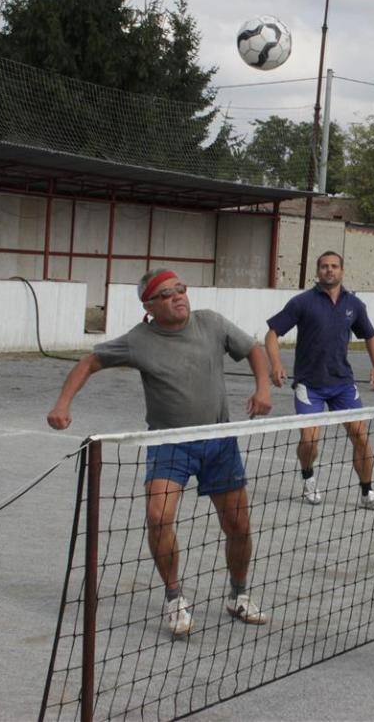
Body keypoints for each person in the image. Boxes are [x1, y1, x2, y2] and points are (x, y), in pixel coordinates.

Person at [46, 268, 272, 637]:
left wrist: (263, 388)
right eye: (166, 294)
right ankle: (174, 598)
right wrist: (62, 404)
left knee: (238, 525)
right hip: (169, 443)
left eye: (180, 289)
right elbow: (89, 362)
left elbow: (253, 350)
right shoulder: (139, 340)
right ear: (149, 307)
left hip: (218, 439)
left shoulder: (211, 323)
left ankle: (239, 594)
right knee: (157, 516)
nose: (178, 296)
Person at [264, 250, 374, 510]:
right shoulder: (302, 302)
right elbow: (272, 334)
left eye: (334, 266)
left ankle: (367, 492)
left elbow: (371, 336)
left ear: (342, 271)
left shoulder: (354, 305)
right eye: (324, 266)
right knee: (309, 440)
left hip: (343, 384)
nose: (329, 270)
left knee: (361, 437)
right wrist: (276, 364)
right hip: (310, 385)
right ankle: (308, 478)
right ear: (318, 271)